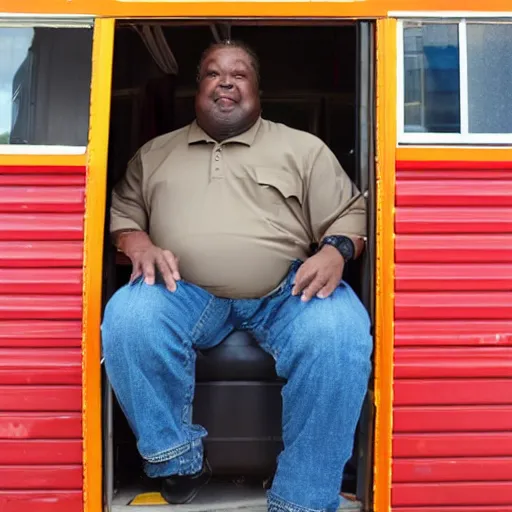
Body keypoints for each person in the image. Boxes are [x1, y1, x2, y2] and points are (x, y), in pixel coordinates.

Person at [101, 40, 372, 512]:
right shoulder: (154, 154)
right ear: (197, 88)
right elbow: (123, 214)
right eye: (212, 73)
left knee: (339, 332)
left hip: (285, 293)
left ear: (257, 89)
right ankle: (177, 461)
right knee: (128, 318)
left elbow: (351, 216)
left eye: (239, 73)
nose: (226, 81)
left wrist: (336, 250)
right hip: (183, 291)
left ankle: (302, 498)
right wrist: (136, 242)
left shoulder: (302, 149)